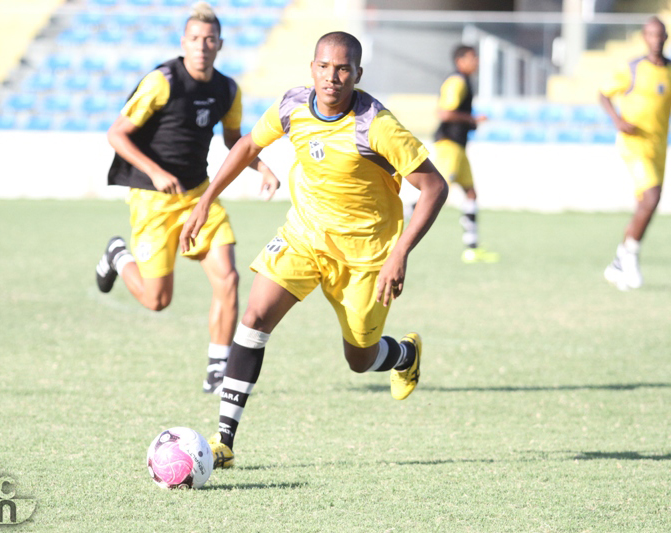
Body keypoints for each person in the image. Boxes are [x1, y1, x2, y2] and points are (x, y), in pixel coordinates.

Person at [180, 31, 449, 468]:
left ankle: (404, 354)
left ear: (357, 74)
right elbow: (247, 145)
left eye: (343, 69)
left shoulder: (376, 125)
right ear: (312, 68)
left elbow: (435, 187)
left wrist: (400, 253)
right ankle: (224, 441)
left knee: (359, 358)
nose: (332, 77)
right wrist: (206, 200)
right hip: (303, 236)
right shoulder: (293, 106)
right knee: (254, 318)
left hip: (366, 256)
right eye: (324, 66)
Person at [95, 2, 280, 394]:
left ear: (220, 44)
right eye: (195, 39)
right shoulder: (161, 82)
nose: (202, 46)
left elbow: (234, 141)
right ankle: (118, 255)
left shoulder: (228, 90)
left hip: (198, 196)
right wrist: (156, 172)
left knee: (228, 278)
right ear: (183, 42)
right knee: (157, 300)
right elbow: (116, 134)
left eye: (209, 39)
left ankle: (218, 371)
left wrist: (262, 167)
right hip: (153, 200)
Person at [600, 16, 670, 290]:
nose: (656, 40)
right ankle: (630, 257)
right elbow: (603, 94)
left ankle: (619, 261)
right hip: (634, 145)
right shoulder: (633, 68)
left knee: (647, 205)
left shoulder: (669, 70)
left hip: (659, 147)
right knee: (651, 197)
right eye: (651, 35)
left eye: (660, 35)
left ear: (666, 38)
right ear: (644, 37)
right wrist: (617, 120)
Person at [432, 45, 498, 263]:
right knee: (434, 194)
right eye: (472, 57)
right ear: (460, 60)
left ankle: (471, 248)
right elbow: (444, 113)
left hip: (459, 147)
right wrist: (472, 119)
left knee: (470, 193)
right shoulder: (457, 82)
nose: (476, 61)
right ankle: (397, 221)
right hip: (449, 146)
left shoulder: (465, 81)